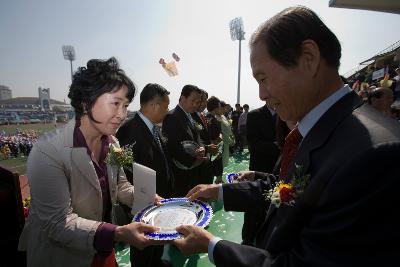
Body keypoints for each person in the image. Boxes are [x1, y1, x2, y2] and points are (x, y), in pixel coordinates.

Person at [172, 6, 400, 267]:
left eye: (263, 78)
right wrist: (218, 191)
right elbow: (285, 189)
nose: (261, 94)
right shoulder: (325, 129)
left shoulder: (376, 158)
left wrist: (210, 245)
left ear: (309, 58)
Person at [18, 57, 161, 267]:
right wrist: (119, 232)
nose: (122, 114)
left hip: (102, 248)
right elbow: (57, 223)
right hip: (61, 256)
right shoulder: (47, 152)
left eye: (125, 106)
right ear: (86, 104)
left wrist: (147, 197)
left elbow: (121, 186)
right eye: (114, 104)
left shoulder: (112, 142)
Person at [116, 83, 174, 267]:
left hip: (157, 199)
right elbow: (126, 172)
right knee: (143, 247)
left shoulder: (153, 127)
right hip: (142, 203)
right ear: (153, 105)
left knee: (156, 237)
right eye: (165, 106)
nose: (167, 111)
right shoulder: (129, 129)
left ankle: (156, 262)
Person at [241, 103, 280, 246]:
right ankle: (248, 237)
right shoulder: (254, 115)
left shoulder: (285, 112)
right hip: (259, 166)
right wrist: (278, 146)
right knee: (252, 203)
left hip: (278, 168)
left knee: (274, 203)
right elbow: (253, 143)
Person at [162, 84, 206, 197]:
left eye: (198, 102)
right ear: (182, 98)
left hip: (194, 170)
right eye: (193, 101)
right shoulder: (172, 117)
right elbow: (173, 148)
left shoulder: (190, 115)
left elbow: (197, 137)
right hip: (182, 173)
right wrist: (194, 161)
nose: (196, 105)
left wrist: (202, 147)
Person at [206, 96, 223, 184]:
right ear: (215, 107)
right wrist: (216, 141)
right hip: (213, 148)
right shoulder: (209, 118)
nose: (220, 108)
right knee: (213, 169)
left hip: (217, 147)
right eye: (219, 106)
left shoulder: (214, 117)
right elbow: (209, 135)